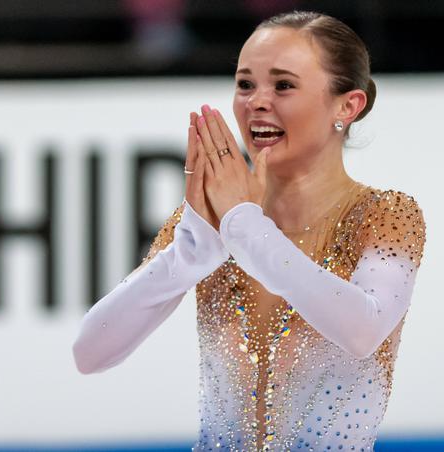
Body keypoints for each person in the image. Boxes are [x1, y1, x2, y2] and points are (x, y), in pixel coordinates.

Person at [72, 10, 426, 451]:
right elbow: (90, 353)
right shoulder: (213, 218)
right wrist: (190, 255)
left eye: (283, 85)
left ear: (347, 105)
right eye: (245, 84)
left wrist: (246, 229)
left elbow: (362, 332)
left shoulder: (384, 214)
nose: (257, 101)